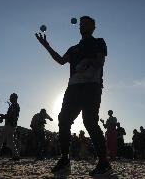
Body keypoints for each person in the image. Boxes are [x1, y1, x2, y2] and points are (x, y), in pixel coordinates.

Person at [36, 16, 111, 176]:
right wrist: (47, 46)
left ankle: (104, 161)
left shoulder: (99, 42)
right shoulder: (73, 48)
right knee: (63, 119)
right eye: (82, 23)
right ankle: (64, 158)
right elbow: (61, 60)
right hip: (73, 88)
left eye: (87, 23)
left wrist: (87, 62)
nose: (83, 25)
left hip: (92, 86)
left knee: (90, 121)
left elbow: (100, 62)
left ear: (93, 27)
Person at [0, 93, 20, 160]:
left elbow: (9, 116)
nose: (10, 99)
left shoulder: (13, 106)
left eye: (11, 98)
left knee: (0, 139)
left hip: (9, 125)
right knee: (10, 141)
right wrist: (1, 117)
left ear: (14, 98)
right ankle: (16, 155)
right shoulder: (15, 106)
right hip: (12, 126)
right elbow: (9, 116)